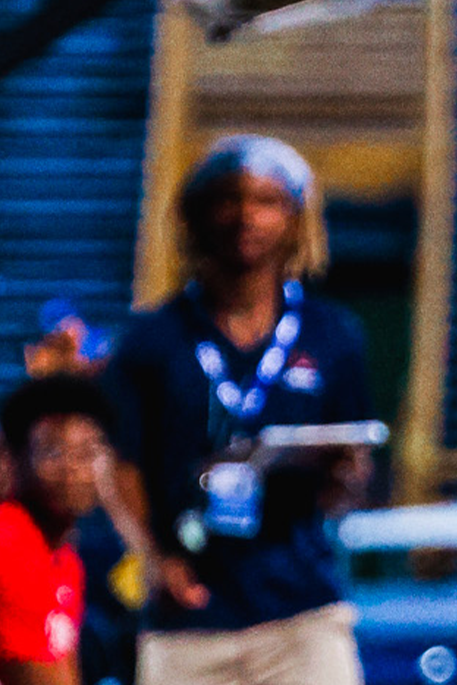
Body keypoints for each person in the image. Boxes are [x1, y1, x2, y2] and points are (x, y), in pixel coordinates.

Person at [99, 135, 371, 685]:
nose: (247, 216)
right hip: (189, 615)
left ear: (296, 220)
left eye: (267, 201)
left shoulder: (332, 334)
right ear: (197, 216)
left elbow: (351, 475)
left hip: (300, 612)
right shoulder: (153, 339)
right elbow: (120, 464)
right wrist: (154, 558)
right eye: (229, 199)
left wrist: (344, 473)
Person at [0, 374, 115, 685]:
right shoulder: (10, 544)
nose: (73, 467)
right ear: (13, 461)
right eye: (53, 452)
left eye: (88, 452)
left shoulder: (64, 557)